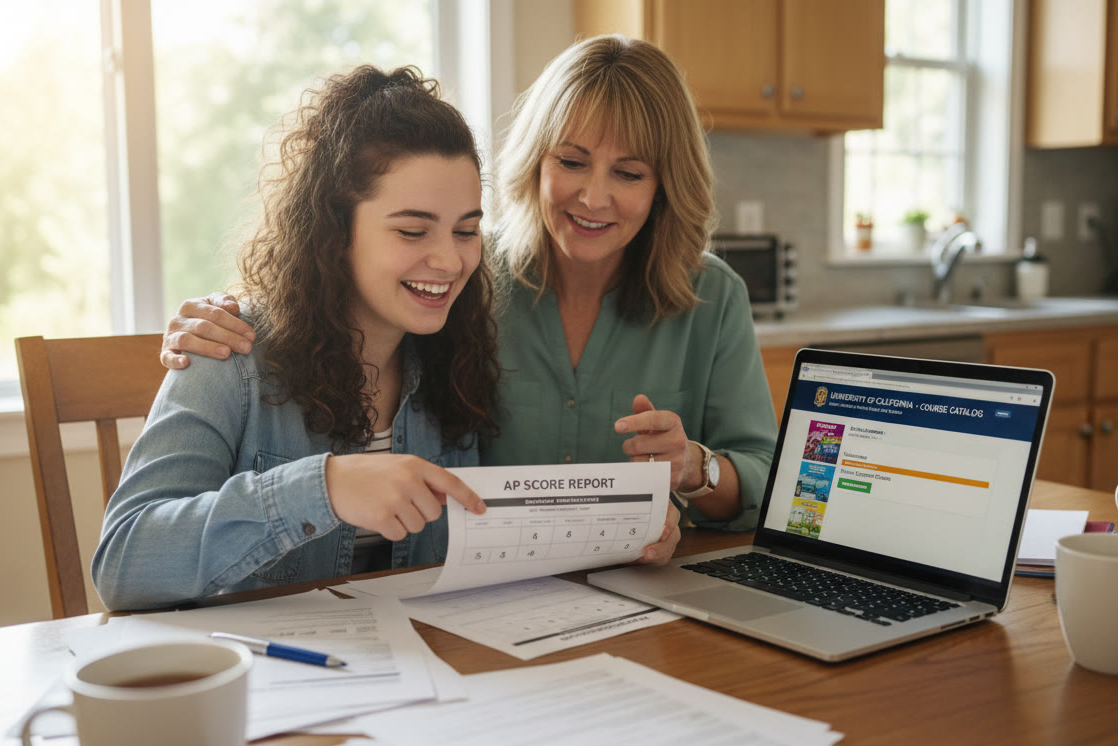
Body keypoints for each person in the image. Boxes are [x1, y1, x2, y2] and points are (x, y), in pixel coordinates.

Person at [96, 64, 678, 612]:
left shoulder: (457, 360)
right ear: (333, 232)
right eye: (411, 229)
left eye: (467, 230)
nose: (449, 260)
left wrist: (642, 526)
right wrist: (322, 488)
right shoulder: (229, 355)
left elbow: (501, 525)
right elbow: (122, 566)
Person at [158, 35, 778, 534]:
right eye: (570, 161)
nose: (593, 195)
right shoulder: (462, 289)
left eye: (629, 172)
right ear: (535, 159)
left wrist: (686, 477)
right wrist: (226, 315)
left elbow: (769, 484)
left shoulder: (709, 297)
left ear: (664, 184)